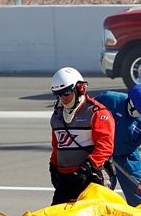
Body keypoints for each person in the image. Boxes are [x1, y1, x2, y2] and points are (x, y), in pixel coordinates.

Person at [49, 67, 116, 205]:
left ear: (79, 89)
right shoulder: (57, 116)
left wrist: (88, 167)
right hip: (65, 180)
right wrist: (53, 165)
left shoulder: (97, 113)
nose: (63, 99)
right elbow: (57, 145)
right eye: (58, 94)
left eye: (66, 93)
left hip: (92, 179)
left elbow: (105, 146)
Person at [94, 85, 141, 206]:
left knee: (140, 195)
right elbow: (85, 112)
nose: (139, 115)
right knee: (99, 191)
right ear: (130, 102)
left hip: (127, 155)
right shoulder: (108, 99)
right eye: (138, 112)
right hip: (101, 153)